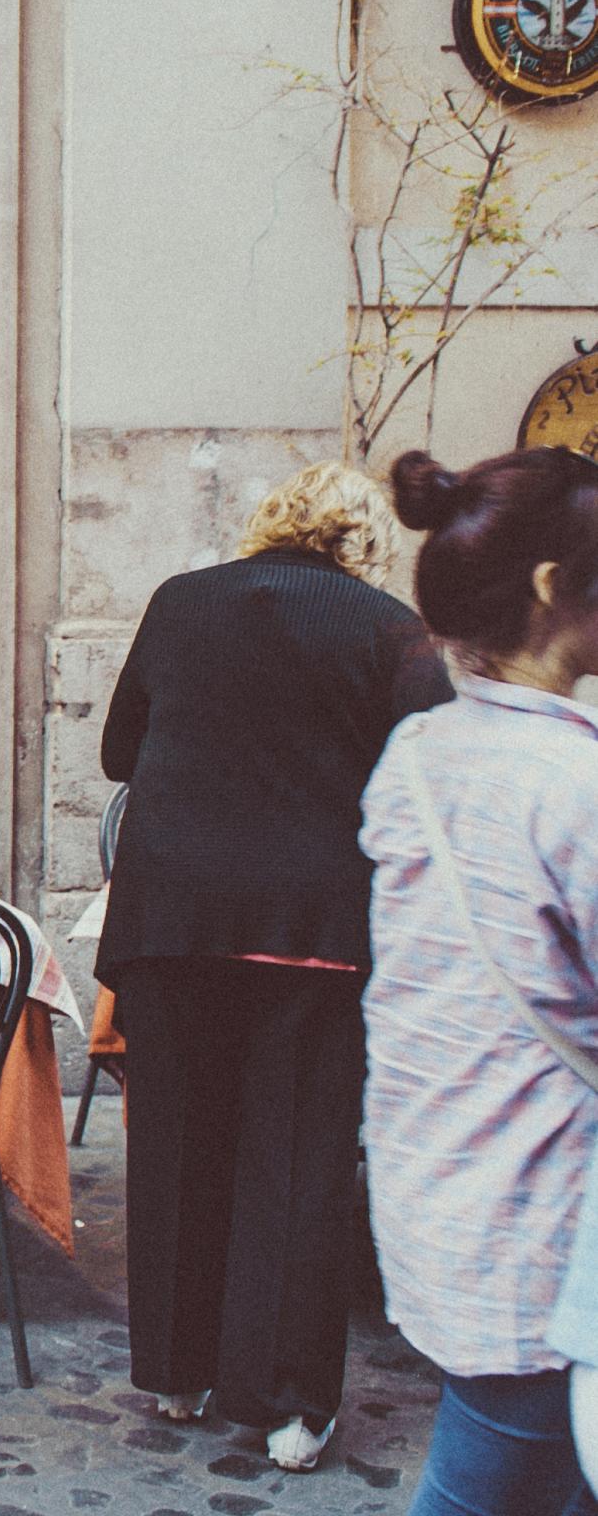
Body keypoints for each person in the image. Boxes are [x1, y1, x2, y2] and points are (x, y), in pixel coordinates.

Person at [97, 460, 450, 1472]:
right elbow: (417, 779)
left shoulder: (178, 601)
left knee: (176, 1142)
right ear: (365, 540)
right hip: (311, 928)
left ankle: (177, 1369)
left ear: (270, 523)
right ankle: (292, 1402)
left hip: (172, 919)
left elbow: (123, 750)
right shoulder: (390, 630)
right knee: (296, 1160)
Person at [363, 446, 598, 1515]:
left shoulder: (420, 750)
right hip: (543, 1218)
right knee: (492, 1475)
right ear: (553, 587)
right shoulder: (570, 781)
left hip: (442, 1177)